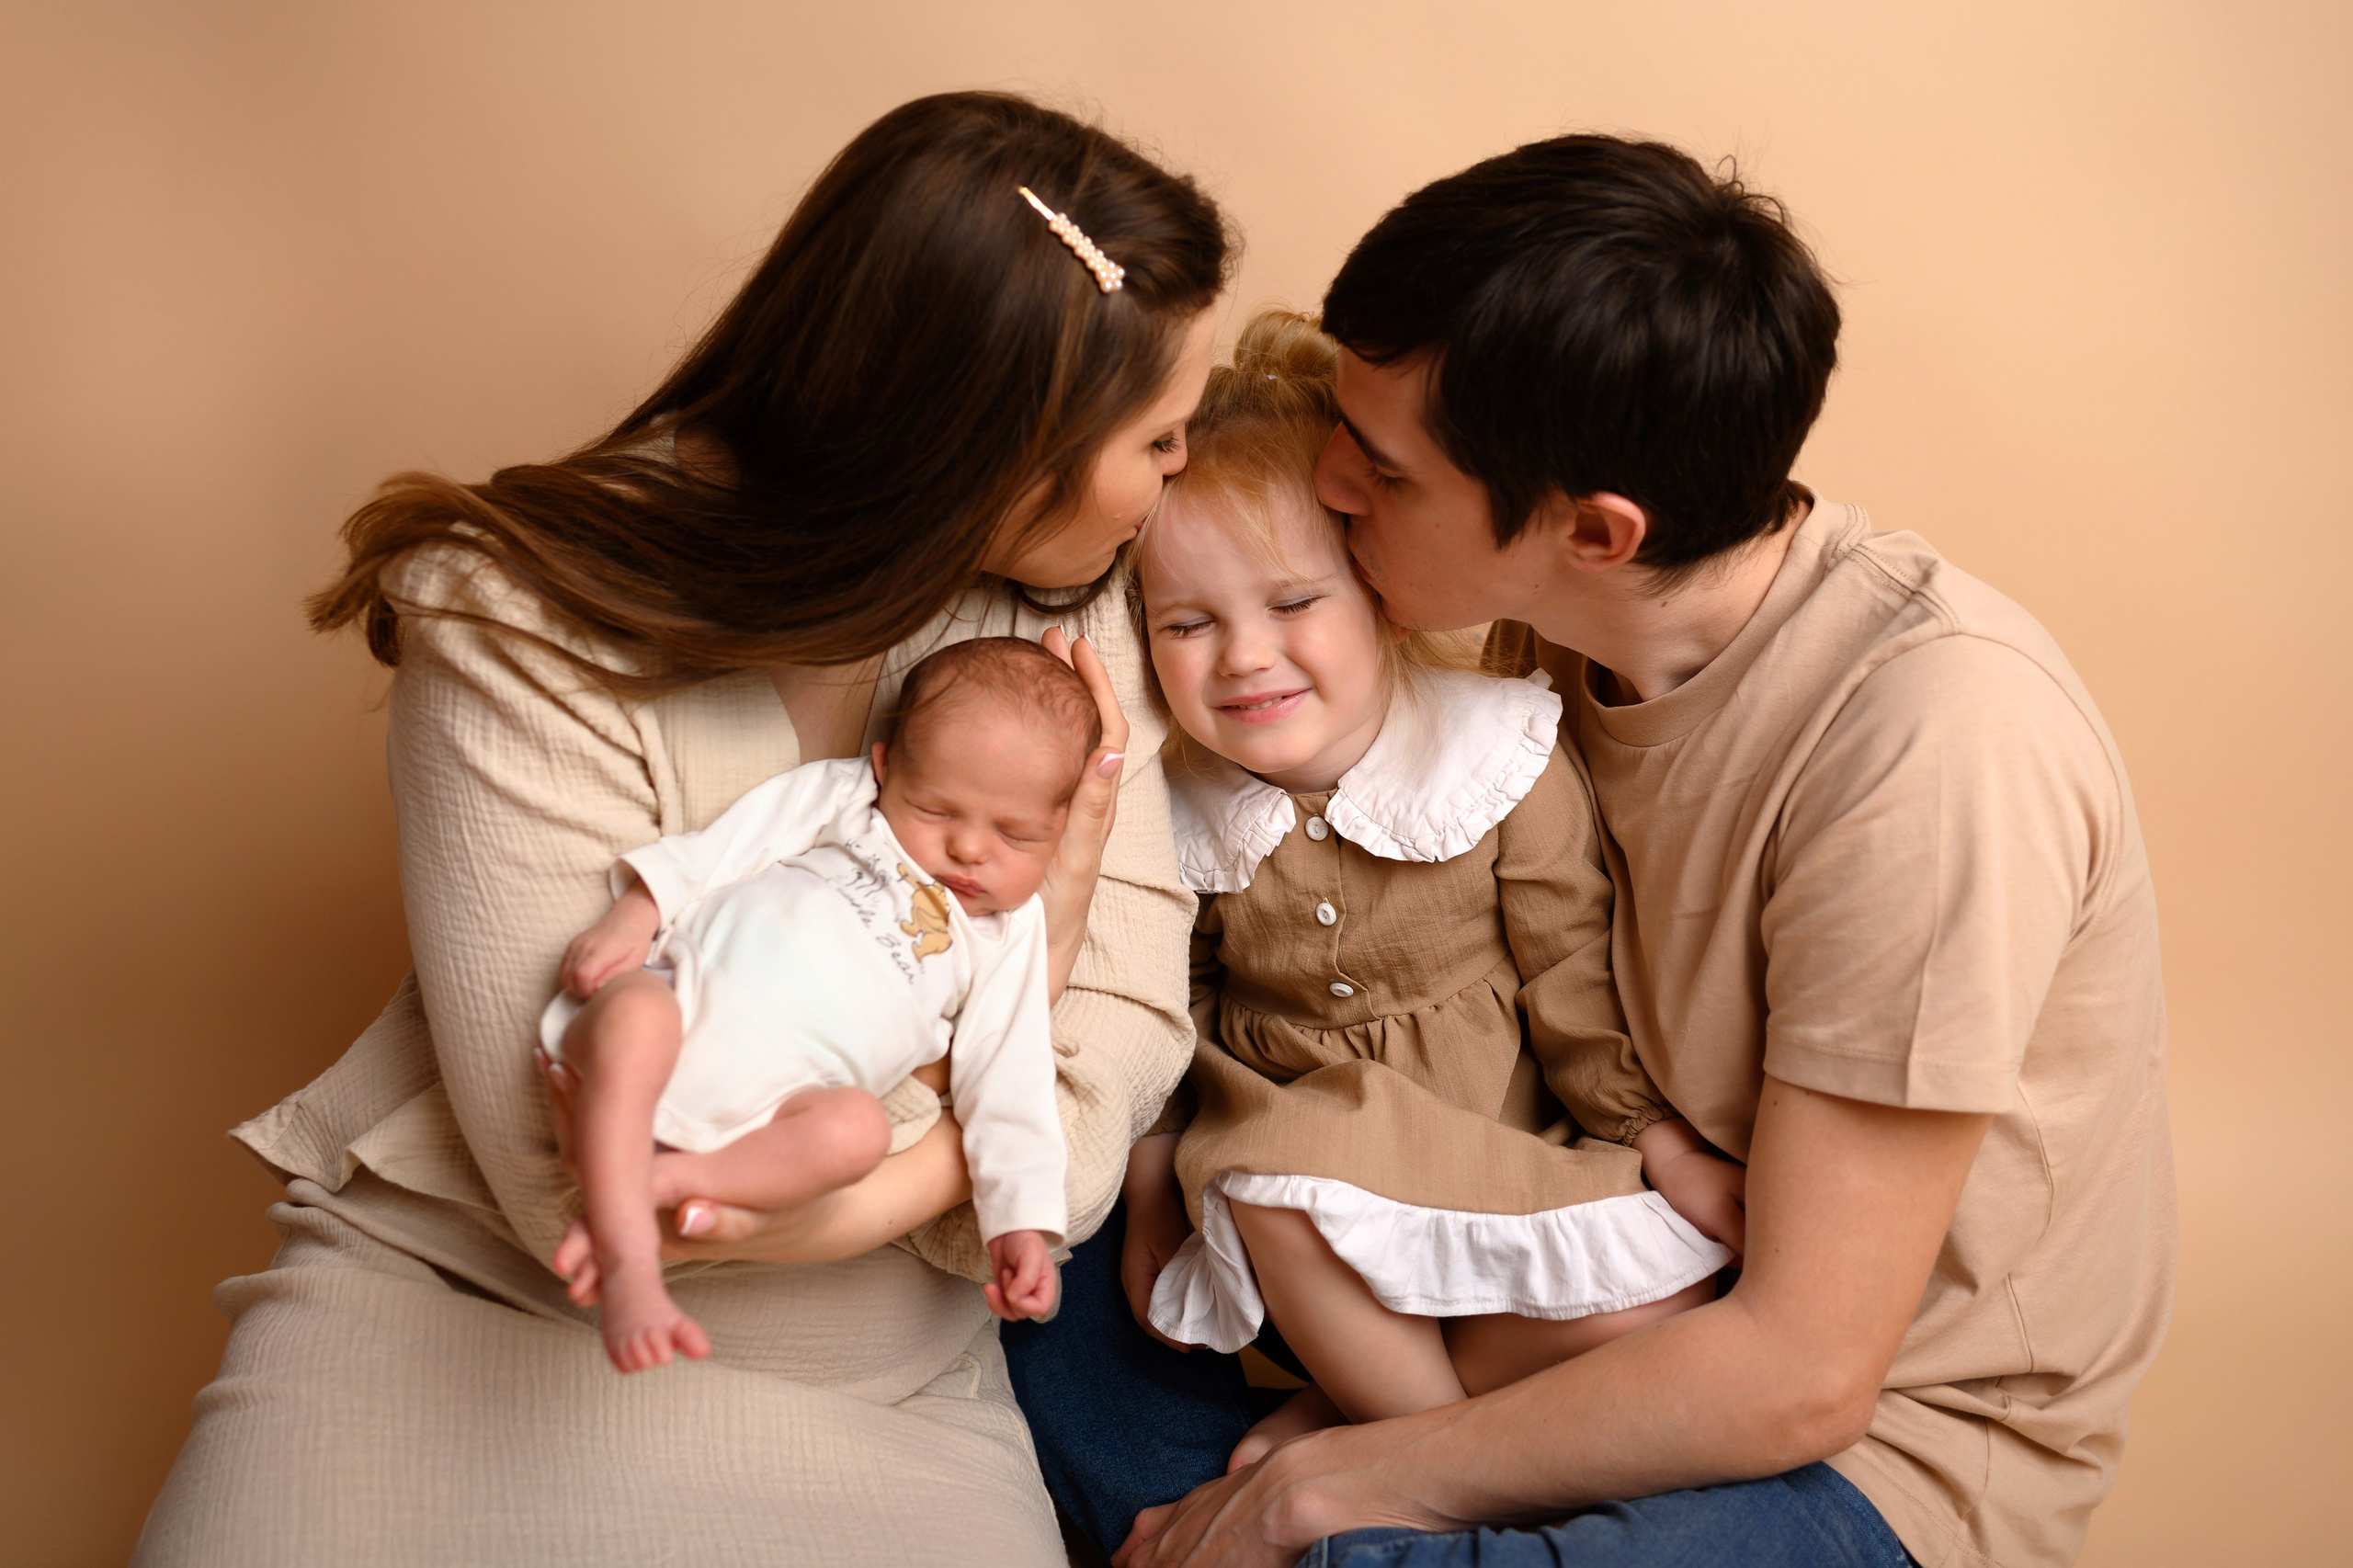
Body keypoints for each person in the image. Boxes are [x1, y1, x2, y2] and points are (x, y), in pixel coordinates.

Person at [132, 91, 1231, 1567]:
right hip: (470, 1303)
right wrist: (1012, 1023)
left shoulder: (1066, 610)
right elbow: (561, 1172)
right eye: (1159, 436)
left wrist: (910, 1172)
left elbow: (1118, 1062)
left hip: (886, 1380)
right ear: (994, 442)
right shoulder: (513, 612)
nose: (1180, 472)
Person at [1115, 137, 2172, 1568]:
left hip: (1854, 1436)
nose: (1332, 483)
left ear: (1595, 532)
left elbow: (1804, 1369)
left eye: (1382, 469)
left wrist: (1355, 1475)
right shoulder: (1538, 629)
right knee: (1040, 1280)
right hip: (1552, 1255)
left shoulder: (1936, 745)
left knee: (1309, 1537)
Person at [1120, 311, 1743, 1460]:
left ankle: (1367, 1421)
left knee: (1666, 1299)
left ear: (1379, 593)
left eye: (1293, 603)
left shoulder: (1493, 753)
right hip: (1305, 1196)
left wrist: (1648, 1139)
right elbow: (1165, 1008)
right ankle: (1407, 1448)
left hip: (1495, 1145)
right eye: (1187, 623)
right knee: (1269, 1185)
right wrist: (1152, 1181)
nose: (1244, 656)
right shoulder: (1175, 807)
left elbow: (1572, 967)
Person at [542, 637, 1097, 1371]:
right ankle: (631, 1258)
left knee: (856, 1133)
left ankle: (657, 1184)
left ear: (1059, 829)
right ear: (885, 767)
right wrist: (633, 917)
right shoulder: (848, 802)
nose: (968, 848)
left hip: (778, 1113)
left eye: (1015, 833)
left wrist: (1019, 1223)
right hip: (681, 1001)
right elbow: (722, 849)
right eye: (936, 809)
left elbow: (1010, 1075)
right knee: (634, 1018)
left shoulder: (1008, 934)